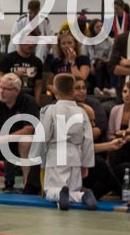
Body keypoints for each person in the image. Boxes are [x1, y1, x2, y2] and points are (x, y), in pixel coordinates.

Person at [33, 73, 96, 210]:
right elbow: (88, 140)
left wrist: (37, 156)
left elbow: (43, 136)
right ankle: (82, 196)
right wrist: (86, 163)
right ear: (73, 90)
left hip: (56, 153)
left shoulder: (52, 110)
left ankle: (59, 193)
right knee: (73, 189)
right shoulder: (81, 112)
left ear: (54, 90)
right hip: (75, 154)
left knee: (51, 190)